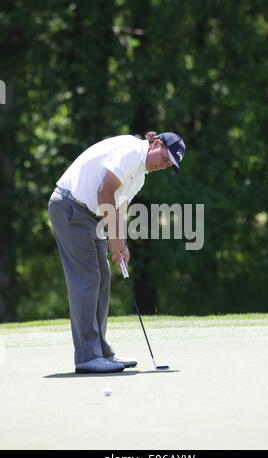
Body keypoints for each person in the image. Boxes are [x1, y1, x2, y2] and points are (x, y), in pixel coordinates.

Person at [48, 131, 186, 374]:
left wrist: (120, 242)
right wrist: (113, 237)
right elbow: (105, 191)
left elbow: (119, 208)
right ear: (156, 143)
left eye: (169, 166)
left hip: (92, 215)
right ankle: (87, 356)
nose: (163, 166)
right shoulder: (131, 151)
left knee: (102, 279)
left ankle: (100, 352)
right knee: (88, 279)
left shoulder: (140, 177)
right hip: (70, 207)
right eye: (165, 159)